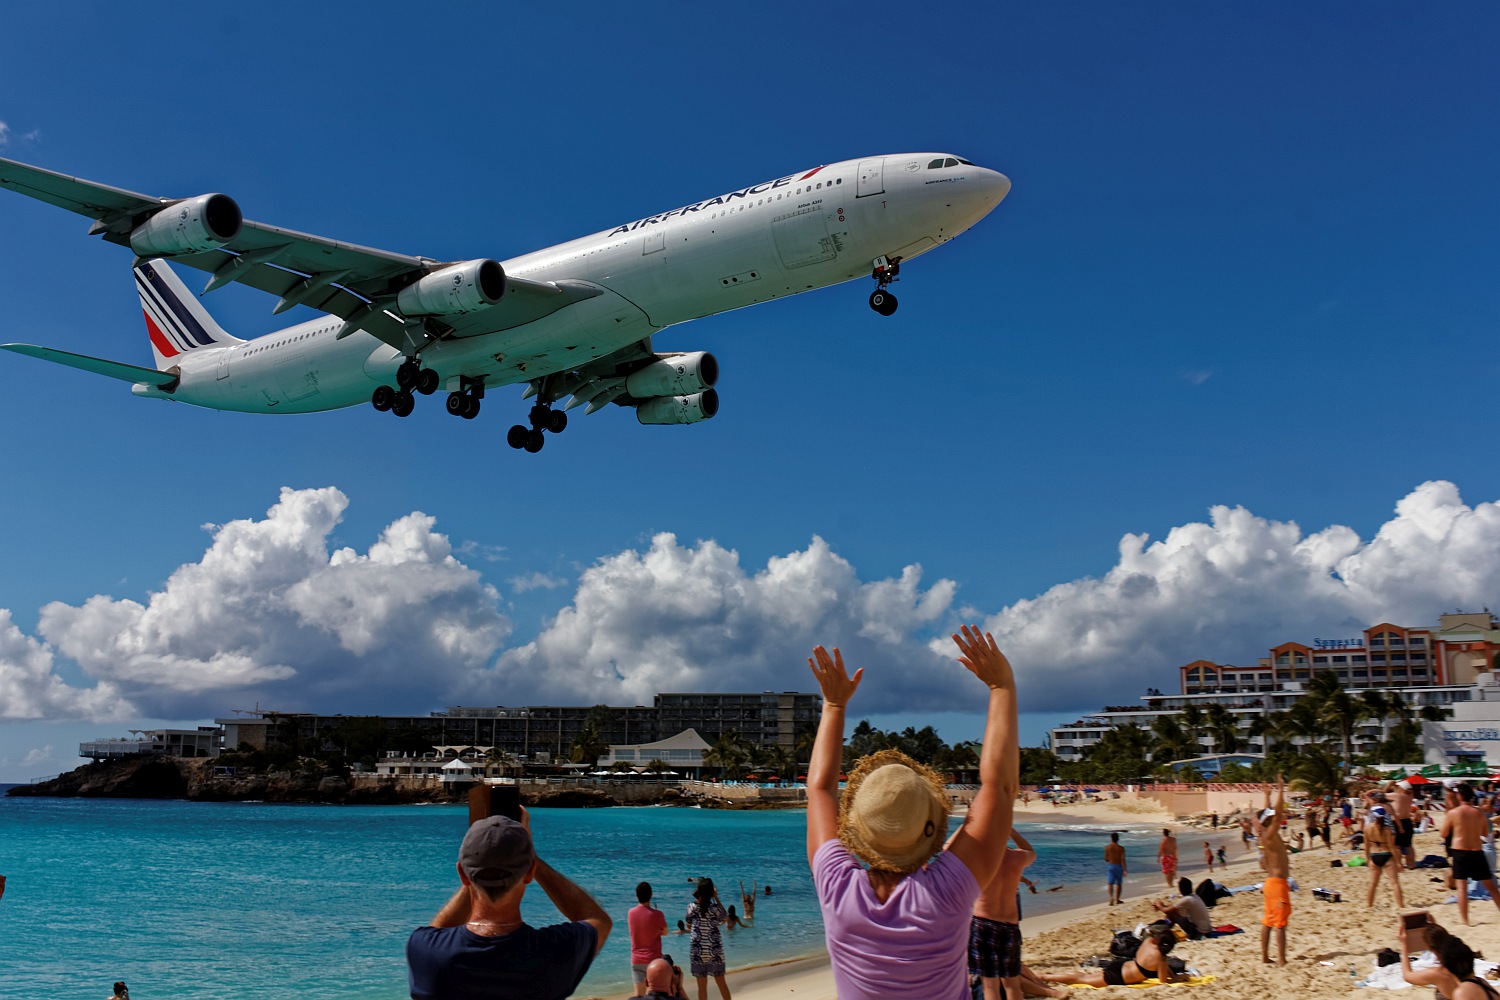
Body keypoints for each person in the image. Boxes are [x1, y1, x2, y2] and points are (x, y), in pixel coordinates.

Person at [805, 625, 1018, 1000]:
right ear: (930, 826)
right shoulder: (947, 891)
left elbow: (819, 789)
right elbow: (998, 788)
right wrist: (1002, 688)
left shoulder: (837, 886)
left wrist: (834, 706)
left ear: (856, 826)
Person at [406, 809, 611, 1000]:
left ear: (462, 874)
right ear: (530, 872)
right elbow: (598, 920)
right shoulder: (552, 953)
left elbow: (438, 933)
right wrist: (531, 857)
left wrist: (478, 869)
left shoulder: (425, 950)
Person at [971, 829, 1037, 1000]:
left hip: (983, 923)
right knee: (1012, 984)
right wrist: (1012, 832)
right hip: (1009, 926)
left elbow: (948, 850)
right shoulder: (1017, 857)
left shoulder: (980, 859)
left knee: (990, 985)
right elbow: (1031, 852)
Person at [1040, 926, 1180, 987]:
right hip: (1120, 977)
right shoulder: (1161, 959)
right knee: (1081, 980)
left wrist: (1171, 973)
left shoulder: (1149, 942)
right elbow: (1163, 981)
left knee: (1083, 976)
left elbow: (1164, 967)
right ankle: (1046, 977)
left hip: (1121, 965)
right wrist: (1181, 977)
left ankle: (1051, 975)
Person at [1440, 783, 1500, 926]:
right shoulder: (1479, 812)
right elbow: (1485, 834)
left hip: (1460, 851)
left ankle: (1465, 921)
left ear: (1459, 796)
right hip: (1476, 851)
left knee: (1462, 888)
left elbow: (1443, 833)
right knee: (1491, 886)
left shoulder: (1453, 813)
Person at [1398, 916, 1500, 999]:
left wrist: (1404, 946)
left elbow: (1408, 976)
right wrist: (1435, 928)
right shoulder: (1481, 982)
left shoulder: (1441, 974)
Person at [1252, 778, 1291, 966]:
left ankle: (1265, 956)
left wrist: (1266, 795)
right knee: (1280, 924)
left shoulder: (1263, 834)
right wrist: (1281, 790)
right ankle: (1282, 960)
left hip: (1270, 884)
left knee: (1268, 921)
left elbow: (1269, 814)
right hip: (1277, 885)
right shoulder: (1269, 835)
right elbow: (1277, 814)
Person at [685, 878, 731, 1000]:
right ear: (711, 892)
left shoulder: (692, 907)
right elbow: (725, 917)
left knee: (702, 987)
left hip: (698, 950)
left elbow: (688, 924)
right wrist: (716, 897)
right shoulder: (715, 909)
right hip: (714, 950)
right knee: (721, 983)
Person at [629, 881, 669, 996]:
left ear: (637, 895)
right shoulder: (657, 914)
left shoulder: (631, 913)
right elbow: (665, 932)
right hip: (654, 960)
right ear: (651, 895)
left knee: (639, 995)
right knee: (657, 996)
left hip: (637, 959)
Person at [1364, 799, 1405, 910]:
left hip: (1374, 855)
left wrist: (1368, 859)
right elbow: (1392, 847)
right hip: (1386, 855)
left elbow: (1366, 846)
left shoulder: (1367, 828)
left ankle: (1369, 905)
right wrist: (1399, 862)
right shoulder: (1386, 829)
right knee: (1394, 883)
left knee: (1372, 883)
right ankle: (1401, 906)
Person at [1387, 780, 1417, 870]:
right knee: (1408, 845)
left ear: (1401, 789)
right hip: (1407, 821)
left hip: (1397, 821)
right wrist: (1397, 786)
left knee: (1396, 845)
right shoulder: (1410, 796)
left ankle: (1399, 864)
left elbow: (1381, 795)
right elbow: (1408, 790)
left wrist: (1389, 785)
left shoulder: (1397, 796)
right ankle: (1411, 864)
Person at [1104, 832, 1126, 906]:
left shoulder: (1107, 847)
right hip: (1119, 866)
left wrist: (1110, 859)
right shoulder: (1121, 848)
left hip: (1111, 866)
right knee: (1119, 884)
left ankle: (1111, 897)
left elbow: (1106, 858)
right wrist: (1125, 869)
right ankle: (1117, 899)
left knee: (1110, 883)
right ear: (1118, 839)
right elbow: (1123, 859)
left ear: (1111, 839)